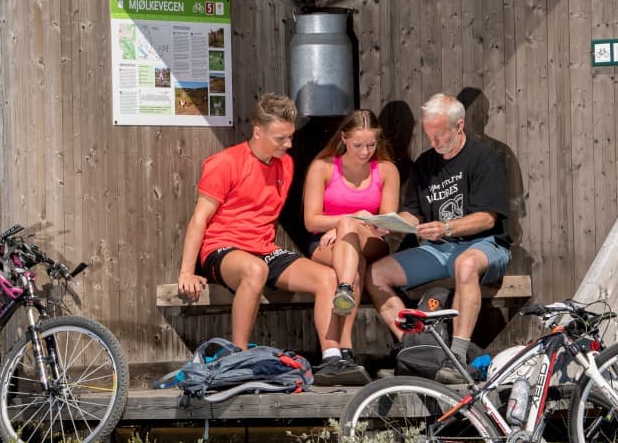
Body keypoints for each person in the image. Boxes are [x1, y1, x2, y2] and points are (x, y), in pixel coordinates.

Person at [176, 93, 370, 385]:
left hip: (264, 249)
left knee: (327, 277)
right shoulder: (225, 162)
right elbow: (199, 220)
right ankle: (237, 358)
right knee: (256, 270)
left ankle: (332, 359)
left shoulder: (286, 165)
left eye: (290, 137)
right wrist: (187, 271)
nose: (289, 144)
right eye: (281, 138)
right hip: (222, 249)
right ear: (258, 132)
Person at [364, 92, 512, 384]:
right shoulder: (424, 164)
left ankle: (455, 358)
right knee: (375, 274)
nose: (434, 143)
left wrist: (446, 228)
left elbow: (488, 218)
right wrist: (389, 225)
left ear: (459, 127)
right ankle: (417, 347)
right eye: (429, 134)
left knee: (466, 266)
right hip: (437, 250)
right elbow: (414, 214)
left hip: (484, 245)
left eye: (440, 135)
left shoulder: (484, 159)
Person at [301, 110, 400, 379]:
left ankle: (343, 291)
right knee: (354, 267)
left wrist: (350, 224)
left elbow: (388, 222)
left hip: (372, 240)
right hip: (327, 243)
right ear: (344, 138)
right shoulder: (322, 167)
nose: (365, 151)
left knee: (348, 233)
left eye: (371, 145)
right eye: (358, 145)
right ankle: (345, 351)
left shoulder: (387, 170)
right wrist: (343, 223)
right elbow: (311, 220)